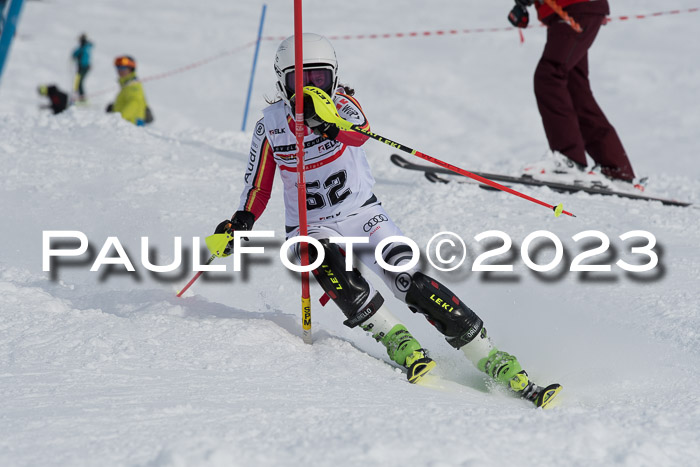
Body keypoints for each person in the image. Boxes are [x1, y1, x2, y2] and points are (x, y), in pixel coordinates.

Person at [214, 33, 560, 408]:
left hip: (364, 216)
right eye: (300, 81)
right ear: (283, 82)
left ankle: (493, 358)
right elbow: (258, 185)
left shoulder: (342, 104)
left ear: (333, 78)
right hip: (309, 228)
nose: (311, 89)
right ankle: (400, 343)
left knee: (407, 278)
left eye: (320, 80)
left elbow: (358, 132)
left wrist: (327, 125)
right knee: (330, 267)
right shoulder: (271, 126)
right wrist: (241, 220)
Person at [508, 0, 644, 191]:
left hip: (576, 7)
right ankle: (616, 171)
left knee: (550, 76)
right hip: (572, 9)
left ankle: (569, 161)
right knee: (574, 88)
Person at [106, 55, 154, 126]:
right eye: (118, 67)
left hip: (130, 125)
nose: (120, 70)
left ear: (131, 69)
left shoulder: (133, 85)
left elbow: (133, 103)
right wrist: (113, 109)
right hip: (126, 125)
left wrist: (118, 119)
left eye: (123, 68)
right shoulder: (127, 85)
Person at [71, 34, 92, 101]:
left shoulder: (85, 47)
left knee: (79, 82)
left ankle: (82, 98)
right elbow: (74, 55)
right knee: (77, 82)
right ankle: (79, 97)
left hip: (84, 67)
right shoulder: (84, 48)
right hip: (80, 67)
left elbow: (75, 54)